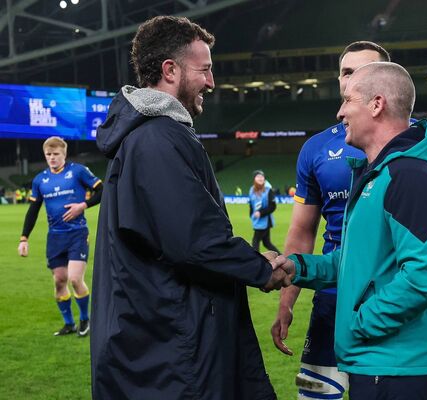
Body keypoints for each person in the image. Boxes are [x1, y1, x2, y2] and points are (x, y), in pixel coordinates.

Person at [90, 16, 290, 399]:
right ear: (170, 70)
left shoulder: (151, 134)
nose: (211, 83)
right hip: (171, 349)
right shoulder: (156, 139)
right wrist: (260, 269)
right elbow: (193, 239)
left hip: (163, 339)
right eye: (205, 70)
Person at [271, 41, 427, 399]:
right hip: (351, 330)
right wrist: (296, 268)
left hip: (386, 347)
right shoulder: (372, 170)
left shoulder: (410, 173)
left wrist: (360, 319)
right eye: (345, 77)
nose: (340, 111)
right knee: (312, 395)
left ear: (377, 101)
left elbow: (423, 277)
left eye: (350, 99)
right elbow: (355, 256)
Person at [17, 136, 103, 337]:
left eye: (56, 154)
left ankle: (84, 319)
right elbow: (33, 210)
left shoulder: (78, 171)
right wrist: (23, 238)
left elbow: (102, 190)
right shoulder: (40, 180)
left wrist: (83, 205)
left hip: (77, 234)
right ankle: (68, 323)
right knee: (59, 281)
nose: (52, 158)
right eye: (49, 154)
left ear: (64, 154)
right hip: (55, 238)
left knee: (74, 279)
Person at [250, 170, 281, 254]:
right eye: (258, 176)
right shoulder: (252, 190)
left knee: (255, 241)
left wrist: (260, 213)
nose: (260, 178)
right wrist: (252, 215)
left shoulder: (268, 190)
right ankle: (281, 257)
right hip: (257, 221)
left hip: (265, 221)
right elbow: (251, 205)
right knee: (267, 243)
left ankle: (255, 260)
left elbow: (273, 206)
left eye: (262, 176)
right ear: (254, 179)